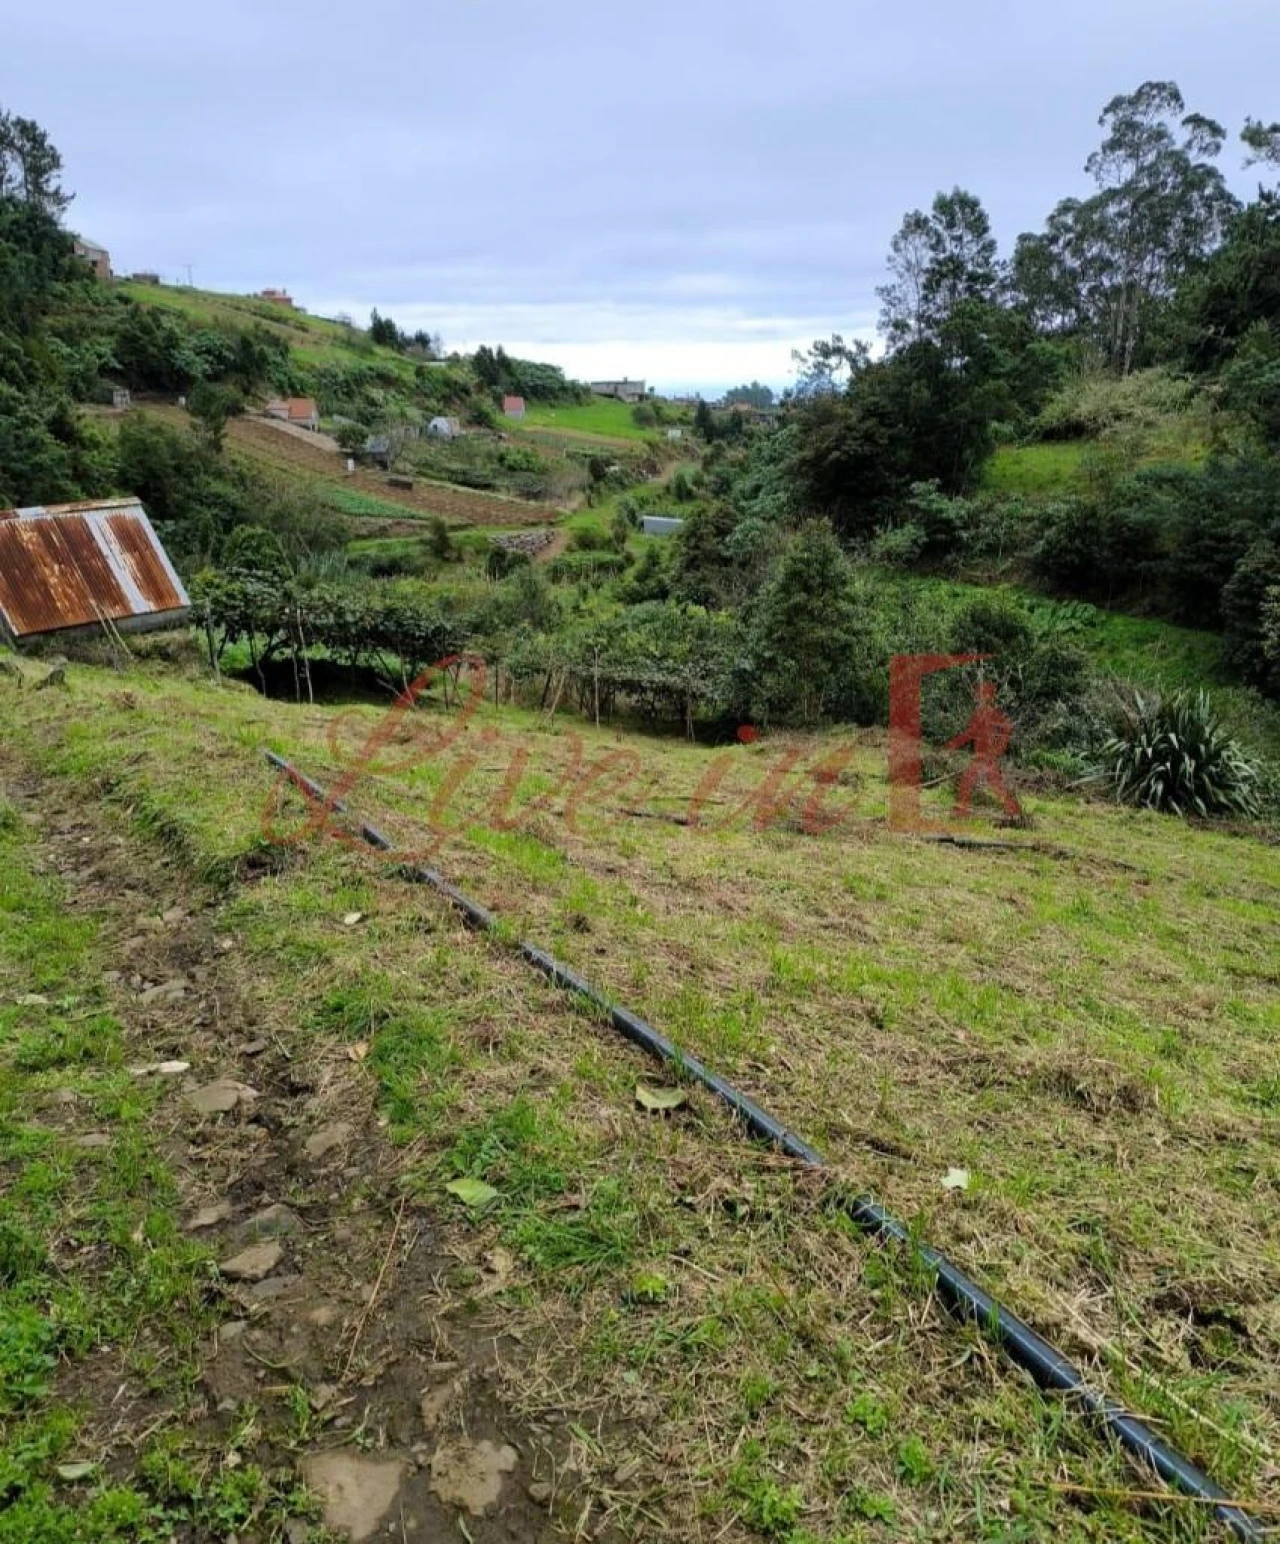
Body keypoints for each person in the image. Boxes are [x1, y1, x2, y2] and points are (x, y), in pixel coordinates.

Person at [945, 681, 1021, 818]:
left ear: (988, 697)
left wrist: (998, 749)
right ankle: (1012, 810)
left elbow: (1007, 729)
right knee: (974, 782)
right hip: (980, 755)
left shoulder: (993, 714)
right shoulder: (980, 713)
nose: (978, 697)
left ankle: (1013, 810)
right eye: (978, 694)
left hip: (987, 756)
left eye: (981, 694)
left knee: (986, 783)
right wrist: (954, 744)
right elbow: (970, 733)